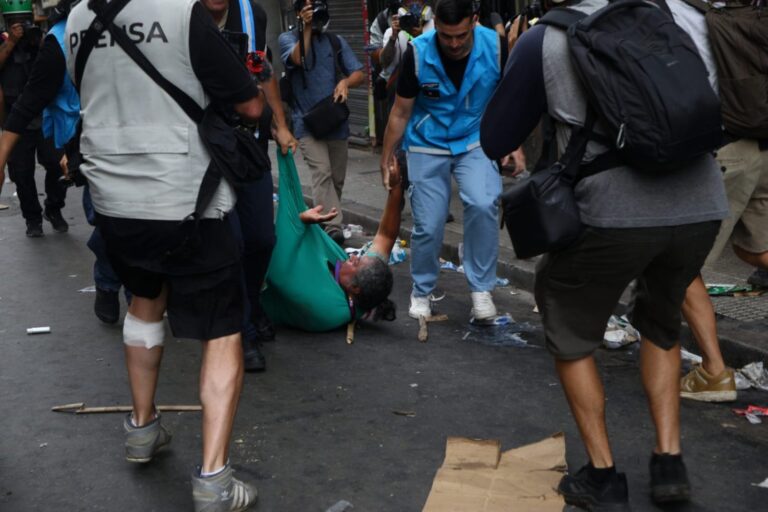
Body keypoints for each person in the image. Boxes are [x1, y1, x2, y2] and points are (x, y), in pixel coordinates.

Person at [481, 0, 729, 508]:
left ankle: (603, 476)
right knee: (662, 320)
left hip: (611, 210)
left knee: (567, 323)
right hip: (701, 202)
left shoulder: (545, 37)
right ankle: (668, 464)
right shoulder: (683, 18)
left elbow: (496, 138)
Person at [65, 0, 264, 509]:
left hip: (114, 202)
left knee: (144, 300)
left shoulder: (77, 19)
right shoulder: (182, 15)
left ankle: (142, 429)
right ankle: (215, 479)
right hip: (187, 200)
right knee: (222, 332)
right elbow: (250, 106)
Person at [0, 0, 128, 324]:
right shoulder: (59, 39)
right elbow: (33, 95)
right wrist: (3, 151)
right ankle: (110, 283)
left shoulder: (145, 22)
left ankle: (142, 294)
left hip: (134, 138)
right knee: (106, 219)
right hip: (80, 138)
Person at [666, 0, 768, 403]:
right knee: (757, 251)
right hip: (762, 146)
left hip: (726, 153)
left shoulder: (675, 15)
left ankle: (713, 371)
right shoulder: (740, 12)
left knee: (679, 264)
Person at [380, 0, 505, 323]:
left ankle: (481, 288)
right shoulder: (419, 52)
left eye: (461, 36)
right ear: (436, 23)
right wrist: (387, 157)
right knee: (430, 224)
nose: (453, 43)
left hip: (474, 138)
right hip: (427, 142)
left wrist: (512, 143)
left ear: (474, 21)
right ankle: (421, 290)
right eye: (446, 36)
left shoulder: (495, 46)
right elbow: (401, 111)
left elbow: (508, 97)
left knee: (483, 202)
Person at [201, 0, 299, 373]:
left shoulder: (251, 14)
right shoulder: (182, 15)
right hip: (205, 148)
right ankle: (242, 332)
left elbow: (264, 69)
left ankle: (252, 304)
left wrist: (281, 124)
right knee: (231, 243)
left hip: (248, 145)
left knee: (261, 240)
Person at [260, 149, 402, 332]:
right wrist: (396, 188)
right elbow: (386, 236)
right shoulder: (362, 287)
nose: (353, 257)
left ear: (355, 288)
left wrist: (300, 222)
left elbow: (277, 270)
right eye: (359, 257)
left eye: (356, 263)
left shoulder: (324, 306)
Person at [279, 0, 364, 245]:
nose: (314, 15)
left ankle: (325, 218)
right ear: (298, 14)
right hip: (305, 123)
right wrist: (305, 28)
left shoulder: (334, 41)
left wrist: (346, 83)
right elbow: (297, 59)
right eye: (307, 11)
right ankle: (332, 228)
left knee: (336, 179)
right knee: (322, 173)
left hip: (335, 121)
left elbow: (358, 72)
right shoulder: (287, 38)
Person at [0, 0, 67, 237]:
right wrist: (12, 41)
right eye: (14, 21)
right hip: (14, 118)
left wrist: (36, 41)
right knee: (22, 172)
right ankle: (33, 220)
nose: (20, 25)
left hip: (43, 113)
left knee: (56, 163)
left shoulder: (42, 37)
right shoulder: (4, 40)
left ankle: (54, 208)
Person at [378, 1, 434, 107]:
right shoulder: (391, 31)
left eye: (419, 2)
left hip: (429, 92)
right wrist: (393, 38)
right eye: (409, 3)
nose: (414, 6)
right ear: (402, 7)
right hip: (399, 97)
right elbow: (384, 63)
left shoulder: (436, 26)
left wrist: (420, 36)